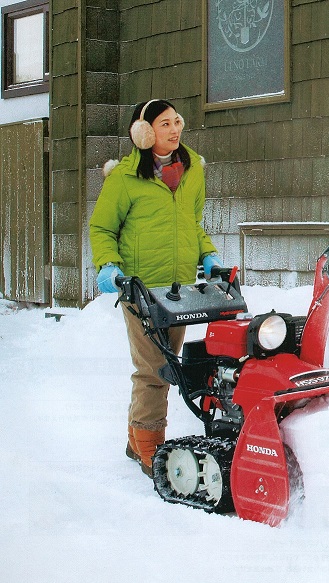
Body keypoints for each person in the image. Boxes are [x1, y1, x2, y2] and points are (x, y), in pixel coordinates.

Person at [89, 99, 222, 477]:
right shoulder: (125, 178)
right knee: (154, 368)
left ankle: (136, 440)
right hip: (140, 288)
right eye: (164, 124)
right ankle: (150, 446)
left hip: (177, 290)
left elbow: (192, 224)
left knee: (168, 366)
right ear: (143, 132)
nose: (174, 129)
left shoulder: (192, 169)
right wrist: (108, 266)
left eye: (176, 121)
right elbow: (101, 228)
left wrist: (208, 257)